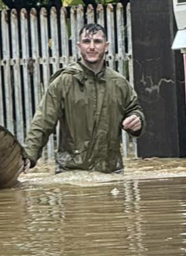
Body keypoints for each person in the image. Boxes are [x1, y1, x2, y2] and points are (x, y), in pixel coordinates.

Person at [22, 23, 143, 174]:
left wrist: (137, 120)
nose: (91, 47)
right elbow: (42, 122)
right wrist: (29, 156)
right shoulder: (64, 82)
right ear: (79, 46)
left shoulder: (119, 83)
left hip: (111, 172)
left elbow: (134, 110)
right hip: (71, 172)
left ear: (106, 46)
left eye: (97, 42)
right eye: (86, 41)